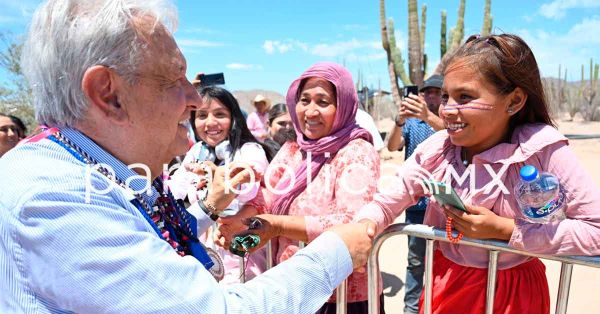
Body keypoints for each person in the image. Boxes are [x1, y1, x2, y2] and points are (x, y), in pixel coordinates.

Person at [0, 1, 375, 312]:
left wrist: (207, 211)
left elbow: (144, 233)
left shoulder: (87, 168)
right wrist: (336, 251)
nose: (195, 101)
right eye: (174, 80)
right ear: (109, 94)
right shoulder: (56, 198)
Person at [355, 33, 600, 314]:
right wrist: (365, 225)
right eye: (446, 97)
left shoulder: (541, 149)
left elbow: (596, 229)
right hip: (444, 287)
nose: (447, 110)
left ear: (514, 101)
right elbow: (390, 197)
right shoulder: (438, 147)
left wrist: (506, 231)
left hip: (514, 297)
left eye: (465, 97)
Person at [228, 62, 384, 314]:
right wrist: (240, 219)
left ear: (342, 105)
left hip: (342, 296)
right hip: (294, 286)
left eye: (322, 102)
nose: (310, 111)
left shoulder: (357, 152)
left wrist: (277, 225)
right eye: (304, 100)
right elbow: (268, 195)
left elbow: (353, 223)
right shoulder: (294, 150)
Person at [168, 85, 271, 284]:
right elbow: (174, 190)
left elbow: (249, 184)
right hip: (206, 251)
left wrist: (224, 179)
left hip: (242, 252)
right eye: (202, 115)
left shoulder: (250, 150)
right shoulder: (197, 151)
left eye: (219, 114)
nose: (210, 123)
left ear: (233, 118)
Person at [385, 74, 444, 314]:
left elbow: (451, 135)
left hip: (445, 205)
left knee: (447, 262)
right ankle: (411, 310)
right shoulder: (411, 123)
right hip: (417, 205)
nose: (430, 96)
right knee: (416, 262)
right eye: (427, 92)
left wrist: (428, 116)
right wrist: (399, 120)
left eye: (436, 93)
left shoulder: (452, 121)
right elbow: (391, 146)